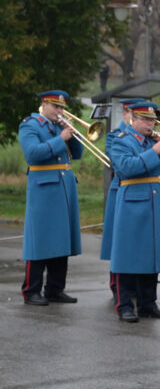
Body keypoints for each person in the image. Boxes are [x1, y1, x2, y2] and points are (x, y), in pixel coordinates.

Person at [106, 101, 160, 322]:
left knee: (152, 254)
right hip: (133, 200)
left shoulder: (153, 141)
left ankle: (149, 303)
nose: (151, 124)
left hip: (155, 201)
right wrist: (153, 152)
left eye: (153, 120)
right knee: (128, 255)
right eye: (147, 120)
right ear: (133, 120)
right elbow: (126, 168)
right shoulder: (122, 141)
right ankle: (125, 305)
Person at [18, 90, 83, 305]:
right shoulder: (30, 125)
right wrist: (60, 138)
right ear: (44, 104)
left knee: (61, 239)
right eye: (56, 106)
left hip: (64, 186)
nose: (60, 111)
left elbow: (78, 154)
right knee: (40, 239)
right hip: (43, 187)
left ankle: (55, 289)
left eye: (62, 107)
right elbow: (33, 154)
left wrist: (72, 136)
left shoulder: (59, 126)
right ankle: (31, 290)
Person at [102, 98, 145, 298]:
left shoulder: (146, 137)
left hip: (145, 192)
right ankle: (117, 287)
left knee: (139, 243)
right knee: (120, 243)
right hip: (121, 189)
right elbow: (118, 163)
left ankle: (140, 289)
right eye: (130, 112)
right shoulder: (115, 136)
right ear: (126, 113)